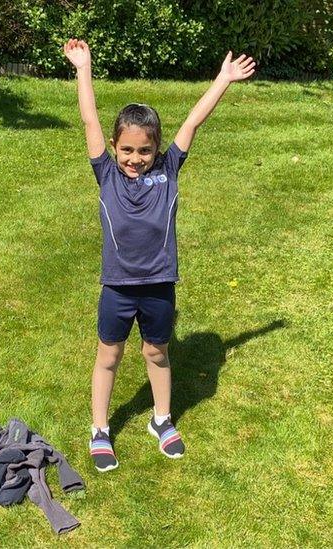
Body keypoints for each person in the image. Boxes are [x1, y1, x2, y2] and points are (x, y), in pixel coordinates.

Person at [63, 38, 256, 472]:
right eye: (127, 150)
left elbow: (193, 122)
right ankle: (99, 428)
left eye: (145, 150)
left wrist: (223, 79)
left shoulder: (167, 171)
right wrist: (83, 68)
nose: (135, 158)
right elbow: (90, 118)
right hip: (116, 287)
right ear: (114, 148)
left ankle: (161, 419)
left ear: (157, 149)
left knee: (157, 353)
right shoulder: (106, 173)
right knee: (108, 356)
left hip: (158, 287)